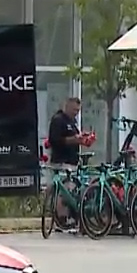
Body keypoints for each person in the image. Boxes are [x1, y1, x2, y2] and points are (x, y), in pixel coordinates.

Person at [46, 97, 85, 226]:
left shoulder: (72, 122)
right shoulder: (58, 120)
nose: (76, 113)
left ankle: (68, 218)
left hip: (72, 161)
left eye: (78, 111)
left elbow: (75, 137)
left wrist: (83, 139)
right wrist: (73, 140)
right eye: (74, 110)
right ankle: (60, 219)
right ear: (67, 106)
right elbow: (54, 140)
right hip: (61, 161)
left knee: (71, 191)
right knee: (62, 193)